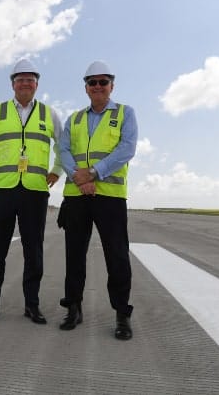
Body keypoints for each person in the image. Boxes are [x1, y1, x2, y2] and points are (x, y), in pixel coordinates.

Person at [0, 57, 63, 325]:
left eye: (30, 79)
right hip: (2, 190)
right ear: (12, 84)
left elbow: (63, 144)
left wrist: (57, 169)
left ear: (37, 84)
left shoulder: (48, 113)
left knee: (34, 252)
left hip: (34, 191)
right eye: (20, 79)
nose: (25, 83)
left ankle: (32, 306)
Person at [57, 61, 137, 340]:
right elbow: (63, 151)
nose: (98, 86)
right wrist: (80, 179)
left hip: (110, 197)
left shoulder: (126, 113)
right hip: (76, 197)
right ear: (86, 88)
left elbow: (126, 149)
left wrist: (93, 173)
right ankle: (74, 308)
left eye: (104, 82)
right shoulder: (74, 119)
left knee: (117, 256)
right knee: (74, 255)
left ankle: (122, 315)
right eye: (93, 82)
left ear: (112, 86)